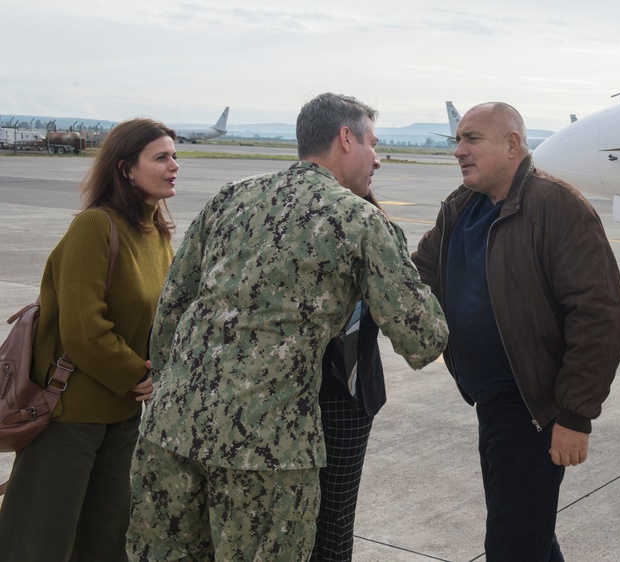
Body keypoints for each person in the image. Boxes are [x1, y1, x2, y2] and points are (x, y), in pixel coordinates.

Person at [126, 93, 449, 562]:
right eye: (372, 143)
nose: (377, 157)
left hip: (171, 431)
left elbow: (172, 307)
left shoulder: (231, 197)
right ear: (345, 139)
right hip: (266, 452)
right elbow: (423, 340)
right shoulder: (359, 220)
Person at [411, 102, 620, 561]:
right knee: (527, 535)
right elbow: (416, 276)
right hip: (491, 402)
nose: (458, 151)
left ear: (512, 145)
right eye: (457, 140)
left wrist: (574, 415)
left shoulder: (555, 206)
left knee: (512, 545)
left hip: (534, 408)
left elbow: (598, 315)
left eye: (472, 139)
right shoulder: (460, 208)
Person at [0, 118, 178, 562]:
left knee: (106, 542)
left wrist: (160, 370)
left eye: (175, 155)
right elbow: (82, 329)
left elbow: (162, 317)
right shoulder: (96, 227)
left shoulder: (156, 232)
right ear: (126, 169)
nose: (174, 165)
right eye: (161, 157)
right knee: (38, 542)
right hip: (69, 415)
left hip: (122, 416)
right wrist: (137, 372)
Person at [311, 177, 389, 561]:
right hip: (298, 392)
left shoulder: (378, 229)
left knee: (337, 515)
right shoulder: (302, 227)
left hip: (352, 395)